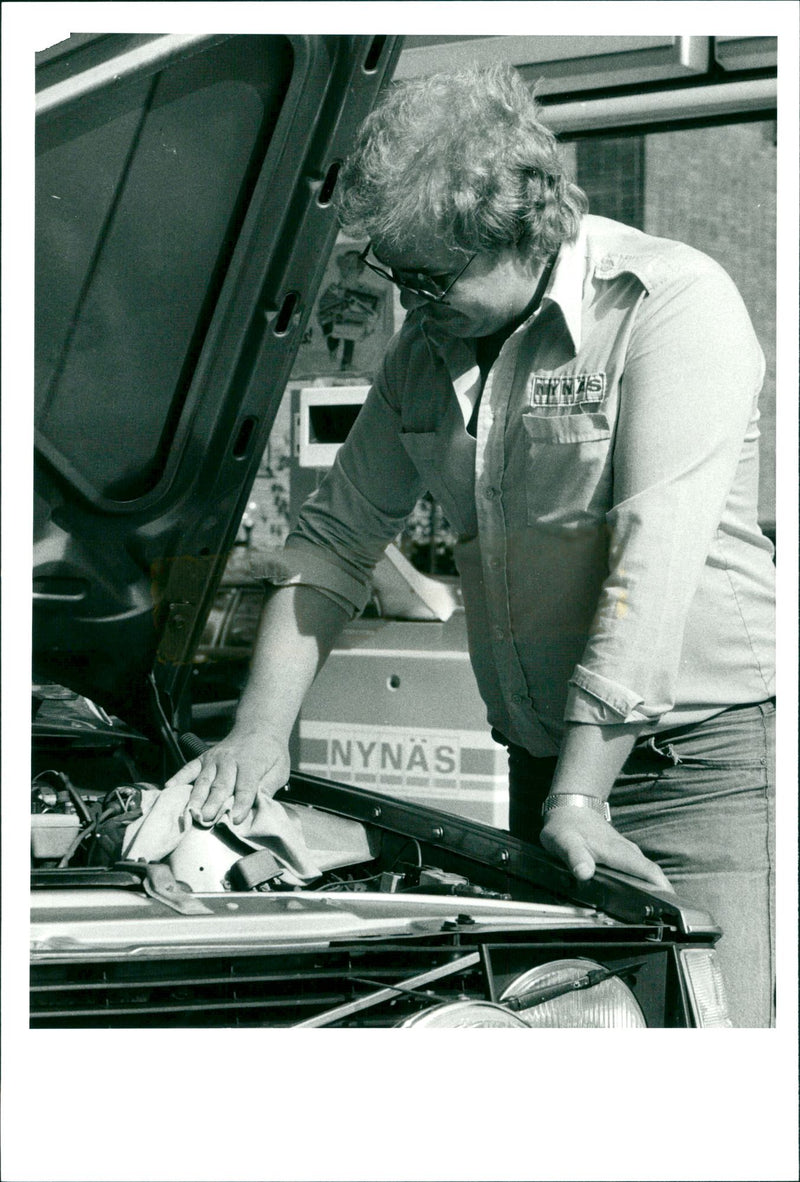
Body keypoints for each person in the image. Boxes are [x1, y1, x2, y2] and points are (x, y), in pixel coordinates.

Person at [168, 66, 776, 1027]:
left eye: (429, 278)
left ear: (521, 227)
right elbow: (333, 540)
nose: (408, 305)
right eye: (393, 276)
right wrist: (256, 736)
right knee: (575, 1058)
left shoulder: (666, 305)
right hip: (543, 770)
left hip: (697, 771)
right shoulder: (426, 355)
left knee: (715, 1049)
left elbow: (649, 566)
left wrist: (582, 797)